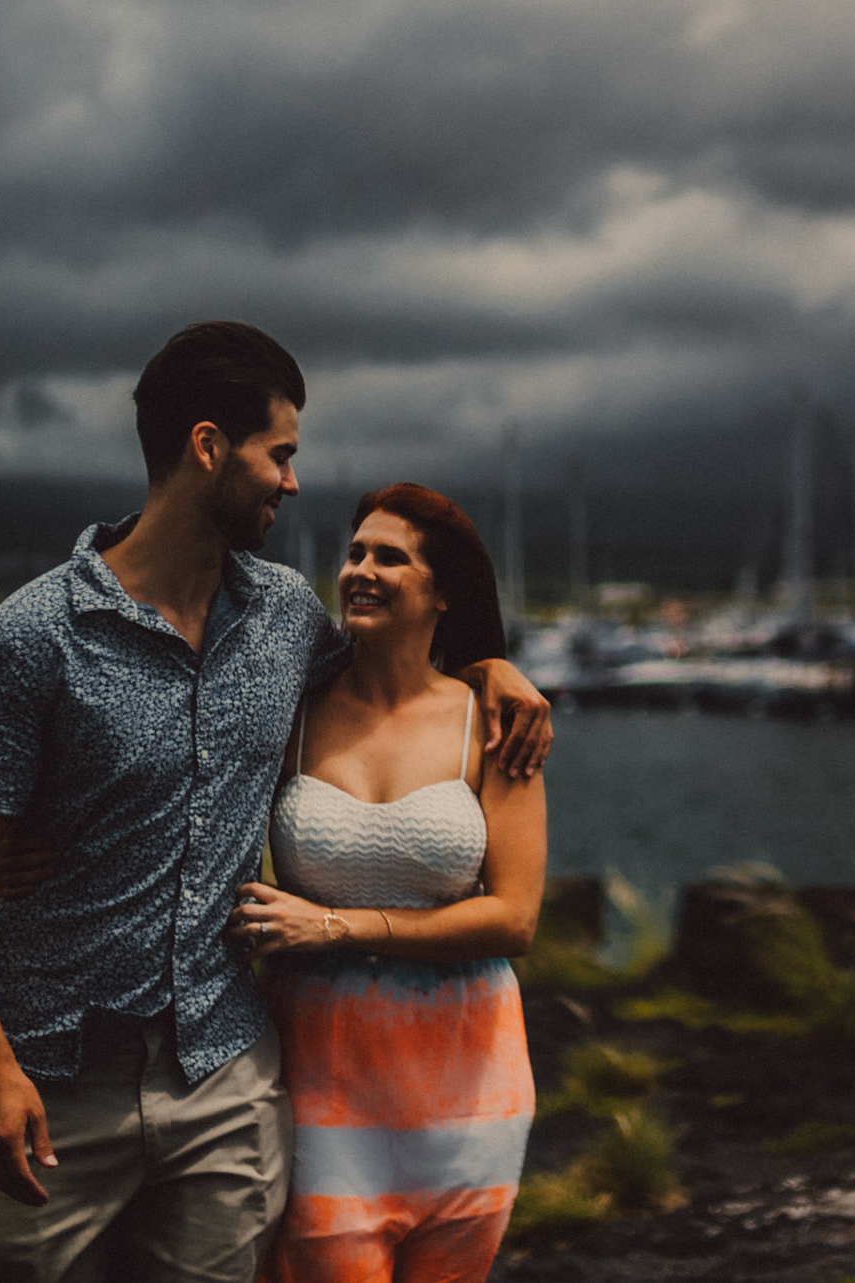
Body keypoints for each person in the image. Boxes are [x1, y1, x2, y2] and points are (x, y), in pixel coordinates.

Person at [0, 321, 552, 1283]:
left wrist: (493, 666)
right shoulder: (36, 633)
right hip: (54, 1074)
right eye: (280, 454)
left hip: (228, 1070)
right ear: (210, 448)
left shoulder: (289, 617)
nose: (293, 482)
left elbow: (402, 678)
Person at [226, 482, 542, 1280]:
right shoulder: (292, 712)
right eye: (356, 552)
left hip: (473, 1087)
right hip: (321, 1078)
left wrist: (335, 925)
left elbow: (515, 919)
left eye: (390, 557)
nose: (361, 569)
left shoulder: (493, 721)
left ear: (443, 592)